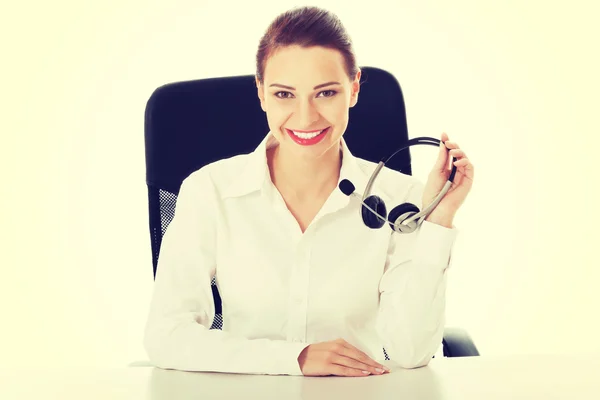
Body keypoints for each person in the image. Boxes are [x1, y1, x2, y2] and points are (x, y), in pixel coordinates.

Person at [143, 6, 474, 378]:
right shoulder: (210, 191)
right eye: (284, 94)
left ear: (354, 89)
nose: (305, 118)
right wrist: (293, 359)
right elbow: (167, 335)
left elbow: (409, 352)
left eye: (326, 93)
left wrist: (438, 224)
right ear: (261, 94)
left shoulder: (400, 201)